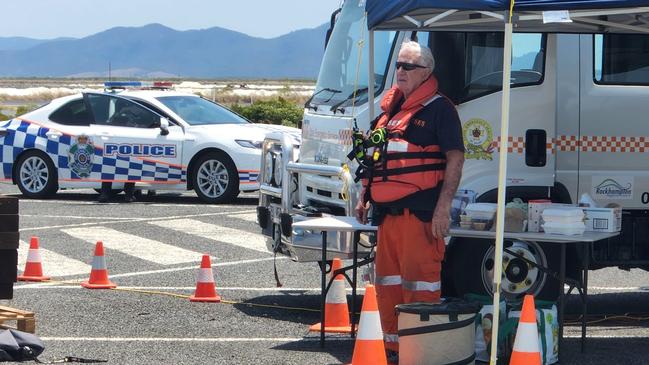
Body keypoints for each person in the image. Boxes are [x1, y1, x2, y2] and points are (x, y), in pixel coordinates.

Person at [354, 41, 465, 360]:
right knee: (387, 287)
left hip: (422, 217)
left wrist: (444, 208)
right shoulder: (388, 113)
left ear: (426, 72)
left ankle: (421, 351)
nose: (399, 71)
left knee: (421, 287)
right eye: (398, 66)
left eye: (408, 67)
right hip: (387, 217)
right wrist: (364, 197)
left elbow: (455, 160)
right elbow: (373, 160)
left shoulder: (441, 110)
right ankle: (392, 349)